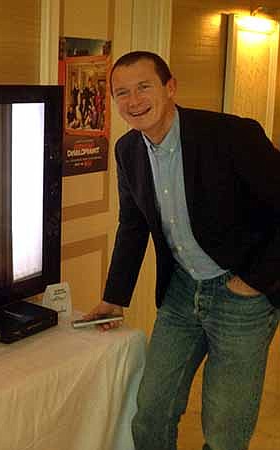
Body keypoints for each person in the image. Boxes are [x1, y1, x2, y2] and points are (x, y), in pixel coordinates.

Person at [86, 50, 280, 450]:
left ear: (170, 87)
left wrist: (254, 282)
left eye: (144, 87)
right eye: (121, 93)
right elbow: (133, 224)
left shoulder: (230, 135)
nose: (134, 100)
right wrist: (113, 298)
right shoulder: (128, 150)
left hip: (241, 297)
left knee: (226, 432)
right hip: (180, 293)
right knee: (151, 413)